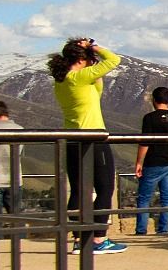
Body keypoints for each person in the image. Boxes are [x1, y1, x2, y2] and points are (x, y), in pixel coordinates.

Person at [48, 37, 125, 255]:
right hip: (92, 138)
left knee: (79, 189)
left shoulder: (63, 81)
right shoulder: (79, 77)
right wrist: (94, 46)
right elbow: (113, 59)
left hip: (73, 139)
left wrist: (93, 67)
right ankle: (98, 238)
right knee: (104, 188)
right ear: (82, 59)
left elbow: (96, 92)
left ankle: (79, 238)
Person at [133, 87, 168, 236]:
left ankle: (141, 230)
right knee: (167, 198)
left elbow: (145, 142)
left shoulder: (150, 118)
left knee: (144, 198)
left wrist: (139, 162)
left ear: (154, 100)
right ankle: (164, 230)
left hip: (153, 163)